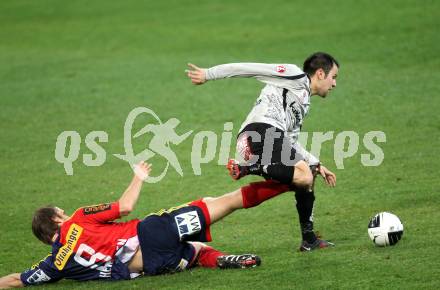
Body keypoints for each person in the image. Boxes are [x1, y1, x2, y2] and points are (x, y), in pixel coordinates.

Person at [0, 161, 291, 288]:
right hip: (152, 233)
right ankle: (290, 183)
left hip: (150, 266)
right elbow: (125, 207)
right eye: (60, 213)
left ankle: (219, 259)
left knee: (197, 250)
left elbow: (16, 280)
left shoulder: (54, 265)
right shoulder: (77, 219)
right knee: (222, 201)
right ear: (56, 220)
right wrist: (138, 176)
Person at [186, 52, 339, 251]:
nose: (334, 84)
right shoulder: (294, 75)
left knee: (306, 177)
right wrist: (209, 74)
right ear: (320, 73)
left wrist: (316, 163)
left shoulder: (303, 103)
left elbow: (290, 142)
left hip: (262, 140)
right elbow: (250, 68)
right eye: (333, 77)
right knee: (303, 174)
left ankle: (308, 239)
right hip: (259, 132)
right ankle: (250, 167)